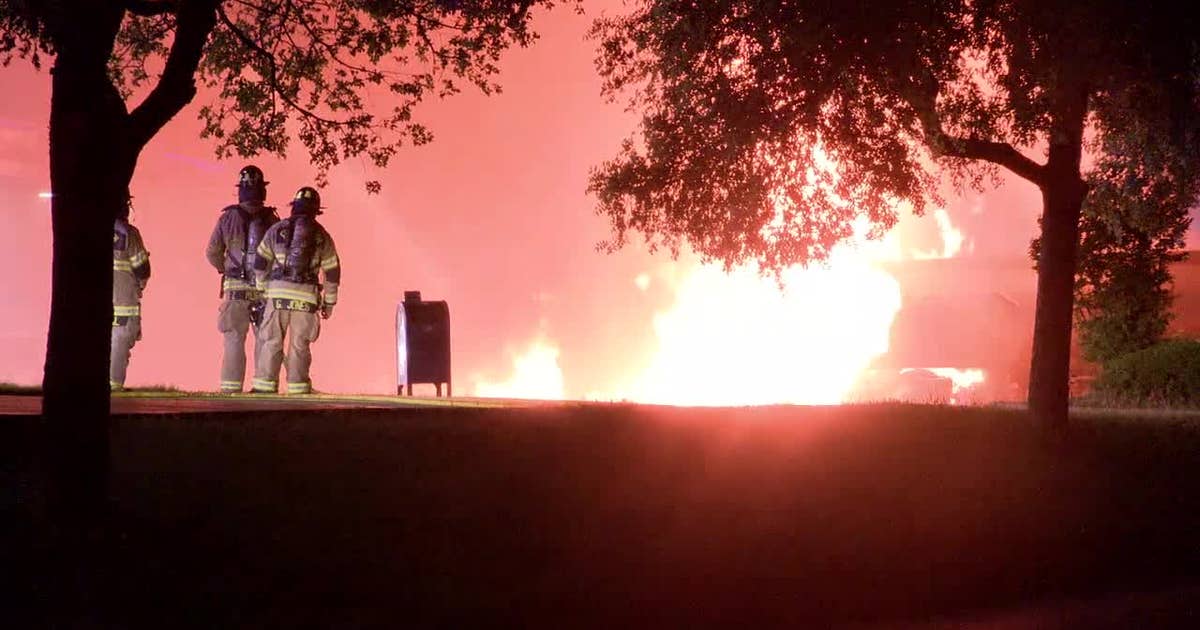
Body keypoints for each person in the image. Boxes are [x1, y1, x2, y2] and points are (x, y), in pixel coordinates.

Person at [250, 186, 340, 394]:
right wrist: (329, 303)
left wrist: (263, 289)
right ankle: (298, 388)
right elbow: (332, 272)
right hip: (306, 297)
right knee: (300, 344)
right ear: (316, 210)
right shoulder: (322, 235)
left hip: (277, 294)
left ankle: (264, 386)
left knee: (271, 341)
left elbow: (260, 262)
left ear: (294, 206)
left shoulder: (276, 230)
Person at [205, 165, 280, 393]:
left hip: (235, 289)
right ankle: (262, 387)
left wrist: (225, 269)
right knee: (264, 339)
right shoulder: (272, 219)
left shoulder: (227, 218)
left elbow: (212, 252)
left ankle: (230, 390)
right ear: (262, 190)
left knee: (233, 339)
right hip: (263, 290)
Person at [112, 192, 150, 391]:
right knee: (119, 343)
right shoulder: (128, 233)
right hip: (123, 303)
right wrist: (141, 284)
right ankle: (113, 387)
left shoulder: (86, 231)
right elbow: (142, 268)